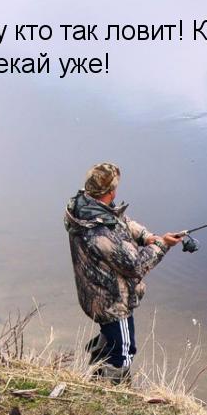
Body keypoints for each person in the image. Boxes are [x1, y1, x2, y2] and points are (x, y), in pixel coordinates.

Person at [64, 163, 182, 383]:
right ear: (111, 191)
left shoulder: (83, 207)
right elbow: (136, 266)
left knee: (112, 340)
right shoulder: (101, 233)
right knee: (125, 351)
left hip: (93, 294)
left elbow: (121, 220)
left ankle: (96, 373)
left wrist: (147, 236)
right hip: (112, 302)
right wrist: (163, 245)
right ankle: (117, 391)